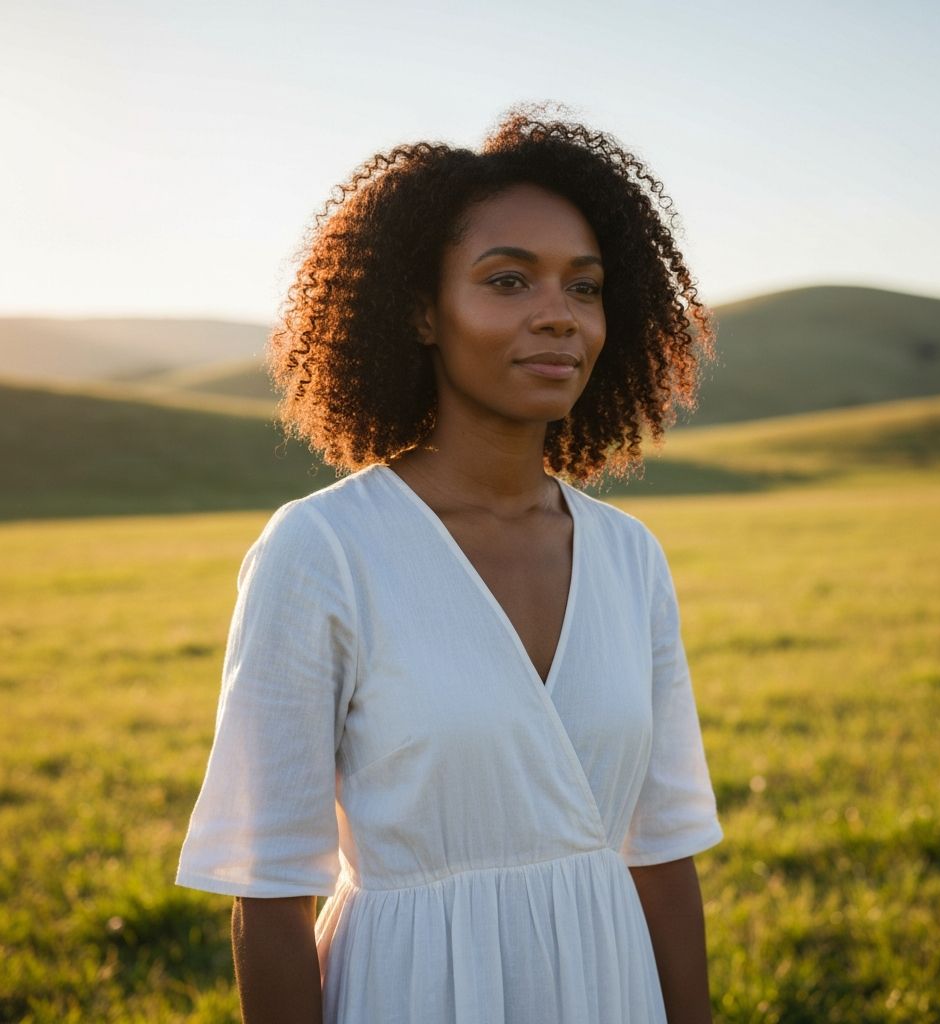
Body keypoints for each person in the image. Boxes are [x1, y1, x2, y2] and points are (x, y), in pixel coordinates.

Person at [176, 102, 723, 1024]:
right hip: (410, 989)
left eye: (583, 288)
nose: (558, 316)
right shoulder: (323, 551)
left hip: (609, 988)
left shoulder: (630, 557)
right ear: (424, 314)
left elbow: (663, 854)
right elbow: (269, 892)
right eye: (508, 282)